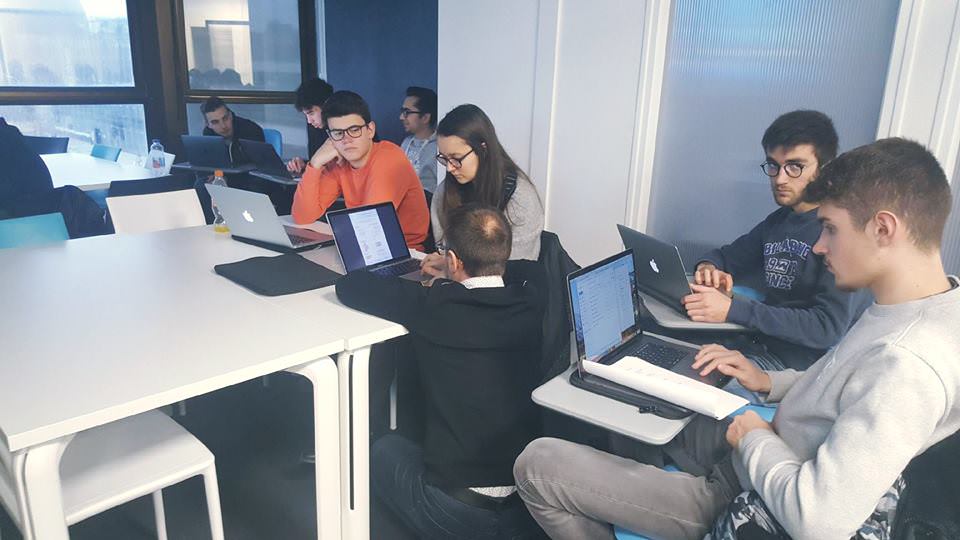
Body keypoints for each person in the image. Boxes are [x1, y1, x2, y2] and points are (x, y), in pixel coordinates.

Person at [513, 137, 960, 540]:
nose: (819, 246)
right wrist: (769, 382)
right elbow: (843, 382)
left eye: (830, 229)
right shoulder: (911, 308)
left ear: (883, 228)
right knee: (641, 398)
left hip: (747, 493)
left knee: (536, 464)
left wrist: (754, 439)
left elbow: (818, 521)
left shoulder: (907, 362)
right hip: (765, 448)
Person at [336, 204, 546, 539]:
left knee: (382, 449)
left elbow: (351, 285)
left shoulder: (435, 306)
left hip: (453, 511)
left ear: (454, 260)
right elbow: (528, 269)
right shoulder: (532, 301)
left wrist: (441, 279)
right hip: (526, 508)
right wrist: (467, 264)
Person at [683, 110, 868, 368]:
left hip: (795, 368)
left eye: (795, 167)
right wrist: (709, 268)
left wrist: (731, 310)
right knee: (661, 348)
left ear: (824, 169)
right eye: (774, 165)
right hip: (754, 345)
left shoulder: (842, 232)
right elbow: (725, 257)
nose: (780, 179)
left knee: (689, 378)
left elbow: (826, 327)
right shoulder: (779, 221)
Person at [290, 90, 429, 250]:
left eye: (354, 130)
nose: (347, 140)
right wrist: (315, 163)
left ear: (370, 130)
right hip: (365, 246)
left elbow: (370, 225)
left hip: (405, 251)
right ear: (330, 137)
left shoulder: (389, 158)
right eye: (338, 133)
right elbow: (302, 216)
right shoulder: (339, 162)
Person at [421, 104, 544, 280]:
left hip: (505, 289)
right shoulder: (445, 191)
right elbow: (445, 248)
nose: (449, 168)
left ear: (483, 148)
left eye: (456, 158)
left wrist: (450, 277)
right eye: (444, 158)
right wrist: (446, 263)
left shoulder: (520, 199)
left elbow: (516, 272)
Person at [286, 77, 334, 175]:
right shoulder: (315, 127)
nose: (309, 121)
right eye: (306, 115)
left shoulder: (346, 130)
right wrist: (304, 165)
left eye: (311, 113)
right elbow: (317, 163)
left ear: (327, 105)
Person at [200, 96, 265, 164]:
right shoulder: (208, 134)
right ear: (208, 125)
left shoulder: (251, 130)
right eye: (215, 122)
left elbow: (260, 163)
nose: (223, 126)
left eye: (225, 118)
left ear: (231, 115)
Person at [399, 86, 438, 193]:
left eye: (407, 112)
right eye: (402, 111)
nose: (401, 117)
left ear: (425, 117)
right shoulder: (406, 143)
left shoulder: (438, 148)